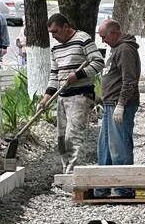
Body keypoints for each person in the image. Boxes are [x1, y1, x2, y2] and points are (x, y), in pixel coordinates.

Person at [37, 13, 105, 173]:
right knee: (61, 139)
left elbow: (98, 62)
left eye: (56, 31)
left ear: (66, 27)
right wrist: (46, 98)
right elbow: (54, 74)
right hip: (62, 96)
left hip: (80, 96)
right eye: (51, 33)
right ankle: (66, 172)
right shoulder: (55, 47)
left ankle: (74, 175)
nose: (54, 36)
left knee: (72, 137)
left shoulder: (82, 38)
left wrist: (78, 75)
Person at [95, 18, 140, 197]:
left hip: (119, 105)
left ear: (114, 33)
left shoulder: (125, 49)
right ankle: (103, 185)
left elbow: (129, 80)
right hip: (109, 104)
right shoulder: (115, 49)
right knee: (105, 147)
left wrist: (121, 104)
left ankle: (123, 187)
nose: (103, 40)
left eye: (104, 36)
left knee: (119, 146)